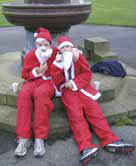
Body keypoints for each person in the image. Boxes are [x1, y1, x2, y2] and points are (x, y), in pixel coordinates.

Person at [50, 36, 135, 164]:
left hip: (83, 89)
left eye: (68, 46)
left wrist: (75, 82)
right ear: (59, 50)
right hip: (68, 92)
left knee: (96, 113)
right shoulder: (57, 62)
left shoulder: (79, 57)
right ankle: (86, 147)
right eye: (63, 48)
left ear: (72, 47)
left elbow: (86, 74)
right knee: (76, 117)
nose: (66, 49)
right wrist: (58, 66)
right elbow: (56, 81)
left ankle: (110, 141)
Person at [15, 28, 58, 157]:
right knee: (23, 95)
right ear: (36, 45)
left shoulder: (56, 54)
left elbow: (66, 49)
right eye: (40, 44)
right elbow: (24, 74)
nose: (43, 47)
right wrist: (37, 71)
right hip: (32, 81)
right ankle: (24, 138)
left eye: (46, 44)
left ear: (51, 45)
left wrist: (74, 50)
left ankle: (40, 137)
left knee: (41, 95)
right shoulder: (31, 55)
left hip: (48, 83)